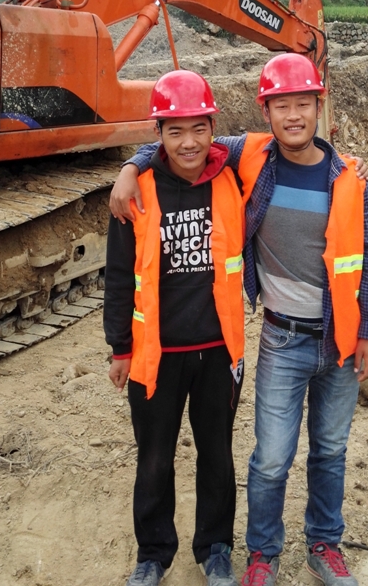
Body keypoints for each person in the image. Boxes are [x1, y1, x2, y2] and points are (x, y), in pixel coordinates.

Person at [111, 54, 368, 586]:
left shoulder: (348, 178)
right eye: (281, 106)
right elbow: (175, 143)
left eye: (302, 104)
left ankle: (310, 545)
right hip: (270, 339)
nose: (293, 116)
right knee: (259, 458)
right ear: (265, 112)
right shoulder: (250, 157)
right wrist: (129, 168)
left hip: (324, 341)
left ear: (319, 105)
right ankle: (242, 554)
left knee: (324, 451)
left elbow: (367, 258)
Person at [104, 69, 245, 586]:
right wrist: (120, 346)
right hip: (155, 354)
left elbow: (286, 147)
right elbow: (120, 274)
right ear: (158, 134)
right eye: (175, 131)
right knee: (154, 458)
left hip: (219, 350)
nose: (188, 143)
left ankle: (215, 548)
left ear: (213, 129)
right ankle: (153, 553)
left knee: (217, 455)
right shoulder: (137, 192)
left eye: (198, 129)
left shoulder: (233, 177)